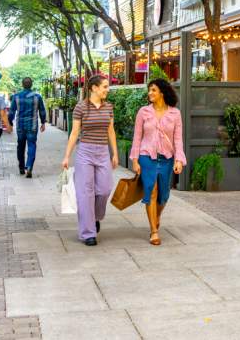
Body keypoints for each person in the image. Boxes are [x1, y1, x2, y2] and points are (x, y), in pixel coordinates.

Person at [61, 75, 119, 246]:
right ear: (94, 88)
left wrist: (114, 153)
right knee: (85, 193)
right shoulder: (81, 107)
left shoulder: (108, 107)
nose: (107, 90)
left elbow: (111, 131)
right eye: (105, 87)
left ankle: (95, 217)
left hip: (102, 152)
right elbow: (74, 133)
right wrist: (67, 156)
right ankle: (88, 233)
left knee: (105, 189)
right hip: (85, 151)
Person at [130, 79, 186, 246]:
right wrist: (134, 160)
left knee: (163, 195)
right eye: (149, 90)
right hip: (146, 157)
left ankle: (157, 215)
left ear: (162, 92)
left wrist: (179, 160)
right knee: (151, 191)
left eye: (153, 90)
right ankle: (154, 231)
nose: (150, 93)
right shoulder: (143, 112)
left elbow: (178, 139)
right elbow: (137, 137)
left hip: (167, 158)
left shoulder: (175, 113)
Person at [9, 77, 47, 178]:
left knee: (20, 146)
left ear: (22, 84)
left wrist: (10, 123)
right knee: (32, 145)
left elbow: (11, 111)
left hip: (20, 126)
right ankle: (29, 166)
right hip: (32, 126)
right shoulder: (37, 97)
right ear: (31, 85)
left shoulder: (16, 97)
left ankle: (21, 167)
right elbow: (42, 111)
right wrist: (43, 122)